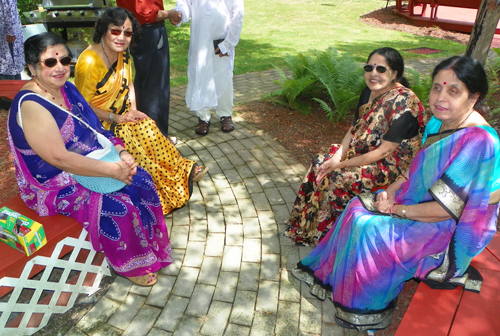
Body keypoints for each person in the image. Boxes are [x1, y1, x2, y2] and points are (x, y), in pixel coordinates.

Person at [291, 56, 500, 331]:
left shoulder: (479, 141)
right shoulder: (439, 122)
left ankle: (367, 308)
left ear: (473, 97)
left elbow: (446, 210)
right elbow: (412, 171)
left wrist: (394, 210)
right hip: (423, 204)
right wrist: (389, 192)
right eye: (437, 87)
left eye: (453, 91)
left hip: (450, 227)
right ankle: (337, 280)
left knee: (370, 227)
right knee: (356, 207)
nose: (440, 98)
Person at [8, 32, 173, 286]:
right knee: (117, 204)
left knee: (141, 180)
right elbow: (60, 159)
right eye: (50, 63)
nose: (60, 67)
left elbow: (98, 130)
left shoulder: (68, 89)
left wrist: (122, 154)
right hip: (53, 180)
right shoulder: (32, 105)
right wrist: (111, 171)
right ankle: (128, 265)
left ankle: (149, 248)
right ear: (31, 68)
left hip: (93, 158)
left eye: (65, 60)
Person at [284, 47, 430, 246]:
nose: (373, 74)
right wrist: (337, 157)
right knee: (321, 161)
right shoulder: (367, 93)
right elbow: (354, 129)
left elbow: (384, 151)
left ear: (394, 73)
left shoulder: (404, 103)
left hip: (390, 166)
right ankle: (304, 225)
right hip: (363, 152)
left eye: (381, 69)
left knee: (338, 177)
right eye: (369, 67)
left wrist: (342, 165)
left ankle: (331, 238)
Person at [75, 7, 207, 216]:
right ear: (103, 30)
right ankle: (160, 192)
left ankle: (181, 172)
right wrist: (117, 118)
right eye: (115, 31)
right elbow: (81, 106)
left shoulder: (122, 53)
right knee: (134, 141)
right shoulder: (89, 61)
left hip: (122, 115)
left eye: (127, 33)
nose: (121, 37)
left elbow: (128, 85)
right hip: (100, 123)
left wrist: (134, 111)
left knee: (148, 126)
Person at [173, 0, 244, 135]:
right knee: (200, 73)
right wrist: (179, 14)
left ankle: (225, 114)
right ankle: (203, 116)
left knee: (224, 75)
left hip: (222, 38)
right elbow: (186, 4)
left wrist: (228, 43)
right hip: (200, 39)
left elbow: (238, 13)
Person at [116, 0, 179, 137]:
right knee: (156, 88)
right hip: (149, 31)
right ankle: (157, 138)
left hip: (137, 30)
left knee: (144, 83)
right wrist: (171, 13)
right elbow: (148, 14)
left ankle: (144, 133)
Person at [0, 0, 24, 80]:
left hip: (6, 34)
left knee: (8, 67)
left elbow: (9, 9)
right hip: (5, 33)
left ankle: (12, 90)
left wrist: (10, 31)